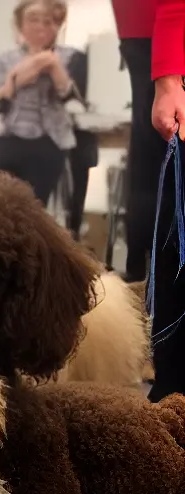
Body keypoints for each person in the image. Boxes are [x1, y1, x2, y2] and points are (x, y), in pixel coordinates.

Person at [118, 0, 185, 400]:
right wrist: (167, 74)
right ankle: (174, 390)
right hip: (163, 40)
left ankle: (172, 388)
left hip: (161, 41)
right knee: (173, 220)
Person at [113, 0, 185, 283]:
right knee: (163, 180)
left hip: (152, 31)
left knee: (151, 174)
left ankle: (144, 280)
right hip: (166, 30)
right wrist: (168, 77)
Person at [0, 0, 84, 205]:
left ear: (57, 25)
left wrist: (53, 64)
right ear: (20, 24)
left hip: (51, 139)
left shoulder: (70, 57)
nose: (40, 26)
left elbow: (70, 98)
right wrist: (16, 76)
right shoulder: (3, 59)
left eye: (47, 21)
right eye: (33, 19)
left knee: (36, 209)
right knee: (2, 207)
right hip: (11, 137)